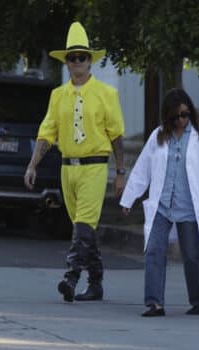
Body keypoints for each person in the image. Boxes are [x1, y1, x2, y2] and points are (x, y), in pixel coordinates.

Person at [24, 22, 125, 303]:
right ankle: (96, 282)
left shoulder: (107, 94)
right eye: (72, 57)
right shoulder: (58, 95)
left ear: (90, 60)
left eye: (82, 56)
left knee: (82, 224)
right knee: (84, 227)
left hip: (95, 165)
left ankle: (71, 277)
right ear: (66, 62)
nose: (77, 62)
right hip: (68, 167)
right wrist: (33, 164)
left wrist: (120, 172)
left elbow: (116, 135)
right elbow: (47, 133)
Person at [120, 88, 199, 317]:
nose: (181, 120)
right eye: (175, 117)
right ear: (167, 117)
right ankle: (155, 303)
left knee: (192, 255)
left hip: (189, 207)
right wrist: (129, 198)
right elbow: (142, 169)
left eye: (185, 115)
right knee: (154, 250)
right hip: (162, 206)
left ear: (190, 112)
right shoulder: (158, 136)